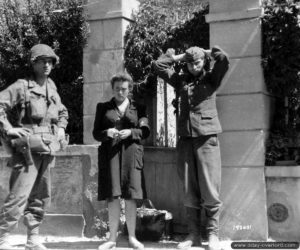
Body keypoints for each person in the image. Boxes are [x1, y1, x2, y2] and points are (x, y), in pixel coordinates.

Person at [152, 45, 229, 250]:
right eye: (190, 63)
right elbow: (159, 65)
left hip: (207, 139)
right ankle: (193, 235)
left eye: (198, 62)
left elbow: (224, 59)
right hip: (185, 139)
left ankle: (213, 235)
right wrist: (178, 56)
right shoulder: (180, 81)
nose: (194, 67)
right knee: (189, 188)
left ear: (204, 61)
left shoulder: (212, 79)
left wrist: (206, 51)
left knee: (210, 188)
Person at [0, 44, 68, 250]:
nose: (47, 64)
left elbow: (63, 111)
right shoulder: (22, 86)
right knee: (19, 195)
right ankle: (2, 236)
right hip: (27, 148)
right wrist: (8, 127)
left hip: (48, 147)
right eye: (42, 61)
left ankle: (33, 237)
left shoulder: (52, 87)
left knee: (41, 195)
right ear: (34, 63)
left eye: (50, 61)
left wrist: (62, 129)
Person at [93, 73, 150, 250]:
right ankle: (111, 239)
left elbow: (145, 132)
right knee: (113, 195)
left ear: (129, 89)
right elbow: (95, 133)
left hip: (132, 154)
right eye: (117, 88)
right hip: (110, 155)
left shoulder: (139, 107)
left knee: (131, 196)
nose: (120, 92)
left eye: (124, 89)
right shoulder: (103, 107)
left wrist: (131, 133)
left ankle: (132, 237)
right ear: (113, 88)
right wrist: (106, 133)